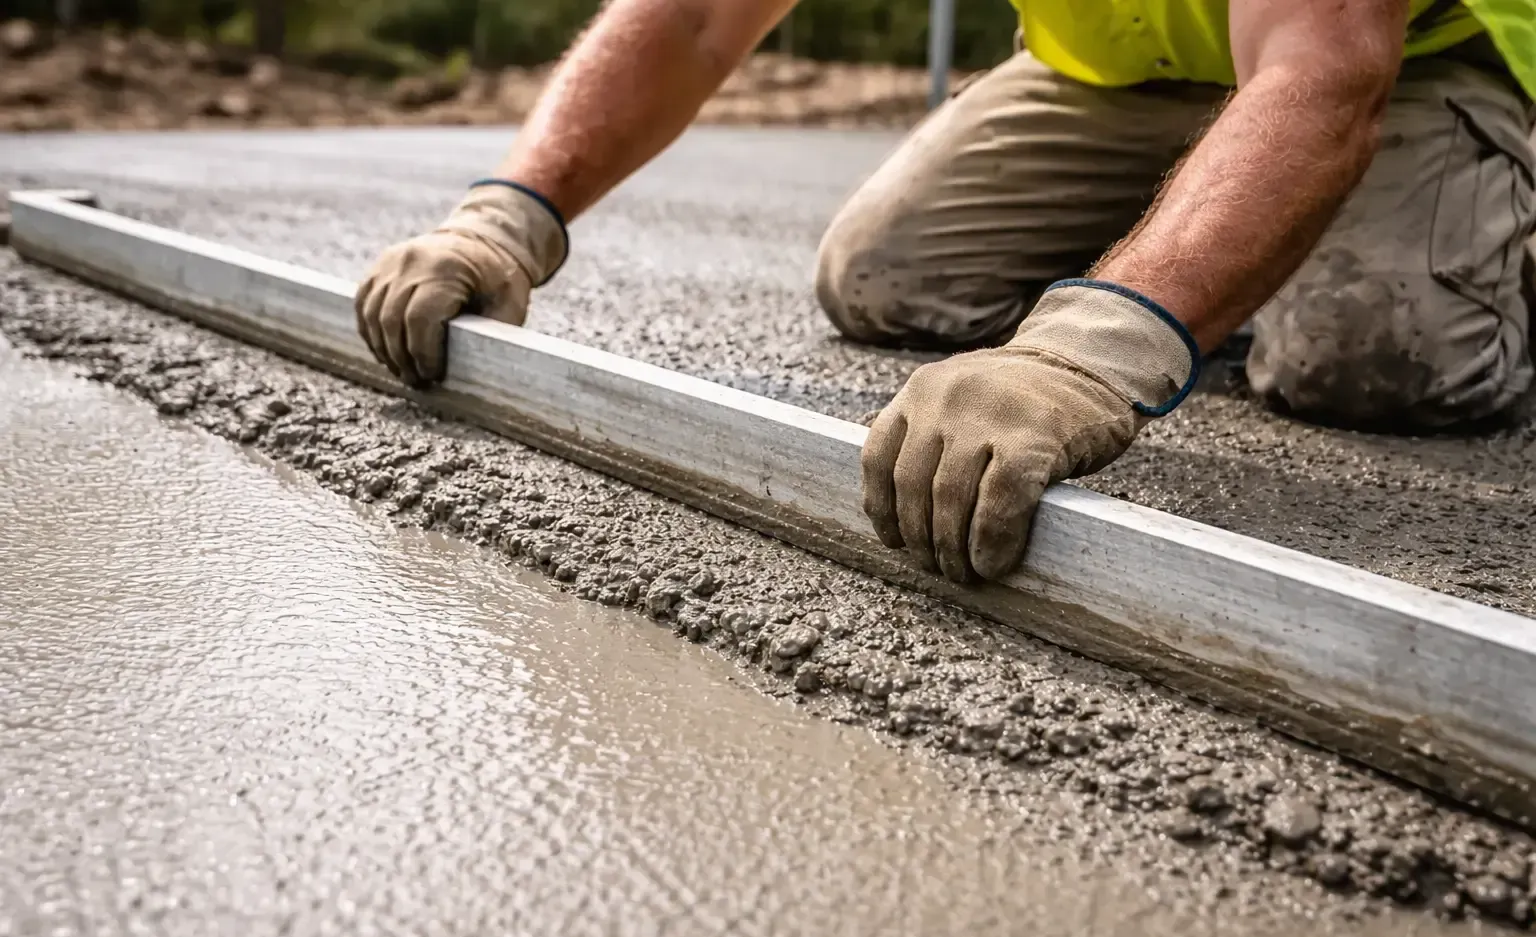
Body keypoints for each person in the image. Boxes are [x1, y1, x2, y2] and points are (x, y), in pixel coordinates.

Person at [354, 0, 1536, 585]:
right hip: (1116, 72)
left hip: (1396, 63)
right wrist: (507, 214)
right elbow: (700, 17)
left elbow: (1323, 69)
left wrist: (1082, 355)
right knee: (883, 278)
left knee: (1381, 361)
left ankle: (1487, 219)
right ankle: (1213, 241)